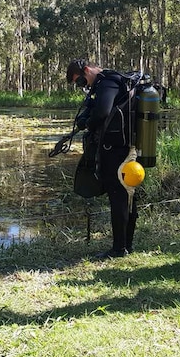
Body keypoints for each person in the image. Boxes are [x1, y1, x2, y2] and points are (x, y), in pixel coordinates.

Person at [66, 59, 138, 258]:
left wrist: (87, 122)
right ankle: (126, 245)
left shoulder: (108, 83)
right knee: (126, 195)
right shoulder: (104, 83)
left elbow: (103, 111)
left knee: (119, 195)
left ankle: (119, 248)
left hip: (117, 150)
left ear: (87, 70)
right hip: (120, 147)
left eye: (80, 81)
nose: (83, 86)